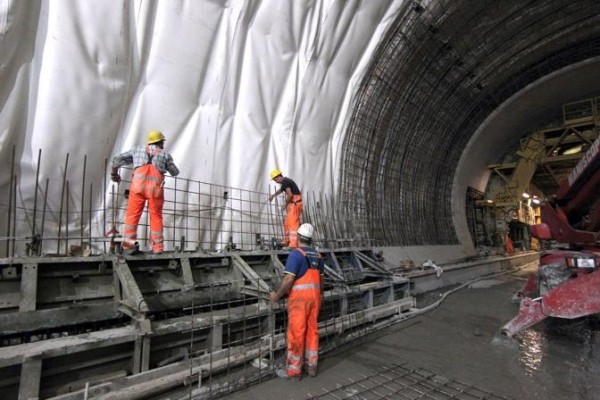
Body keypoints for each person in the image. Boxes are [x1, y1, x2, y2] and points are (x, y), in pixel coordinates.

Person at [110, 130, 179, 254]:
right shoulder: (165, 154)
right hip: (155, 190)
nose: (163, 143)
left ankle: (129, 245)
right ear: (160, 141)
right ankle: (157, 248)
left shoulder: (137, 150)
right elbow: (175, 172)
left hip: (137, 188)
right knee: (156, 216)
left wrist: (114, 174)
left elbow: (116, 159)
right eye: (163, 141)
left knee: (132, 215)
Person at [269, 223, 324, 380]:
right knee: (312, 331)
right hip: (315, 298)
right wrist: (320, 297)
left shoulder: (296, 254)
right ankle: (311, 366)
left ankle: (293, 370)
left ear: (299, 237)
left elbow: (289, 279)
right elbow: (321, 281)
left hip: (300, 300)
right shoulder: (318, 256)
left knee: (296, 333)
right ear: (311, 239)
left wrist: (276, 296)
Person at [268, 169, 302, 248]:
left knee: (293, 224)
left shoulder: (286, 182)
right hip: (293, 204)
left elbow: (289, 195)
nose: (275, 181)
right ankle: (286, 241)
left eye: (275, 179)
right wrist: (273, 195)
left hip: (296, 204)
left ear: (279, 176)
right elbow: (281, 190)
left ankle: (293, 244)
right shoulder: (285, 182)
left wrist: (285, 205)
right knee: (287, 223)